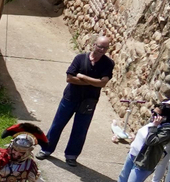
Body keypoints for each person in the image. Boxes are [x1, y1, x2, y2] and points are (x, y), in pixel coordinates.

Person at [42, 35, 115, 165]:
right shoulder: (80, 58)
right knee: (57, 125)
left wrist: (82, 77)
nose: (102, 50)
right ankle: (46, 149)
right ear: (94, 45)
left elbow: (103, 83)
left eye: (105, 48)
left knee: (80, 130)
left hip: (89, 102)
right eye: (100, 46)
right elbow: (69, 78)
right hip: (70, 98)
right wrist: (93, 82)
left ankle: (71, 155)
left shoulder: (108, 63)